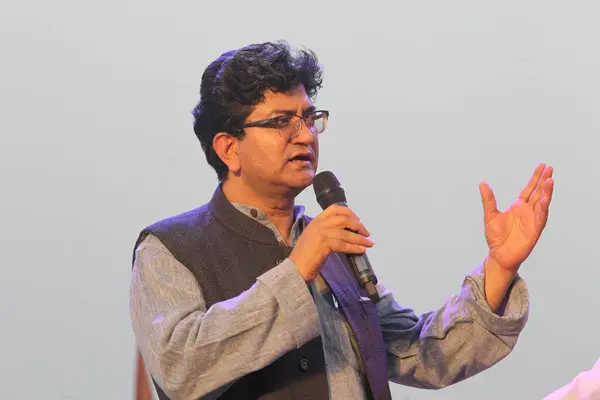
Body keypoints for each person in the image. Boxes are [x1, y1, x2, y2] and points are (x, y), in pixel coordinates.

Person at [129, 41, 555, 400]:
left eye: (310, 118)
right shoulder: (170, 248)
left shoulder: (328, 242)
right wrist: (297, 271)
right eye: (281, 122)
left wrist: (500, 267)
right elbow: (180, 366)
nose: (305, 135)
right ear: (228, 149)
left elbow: (417, 353)